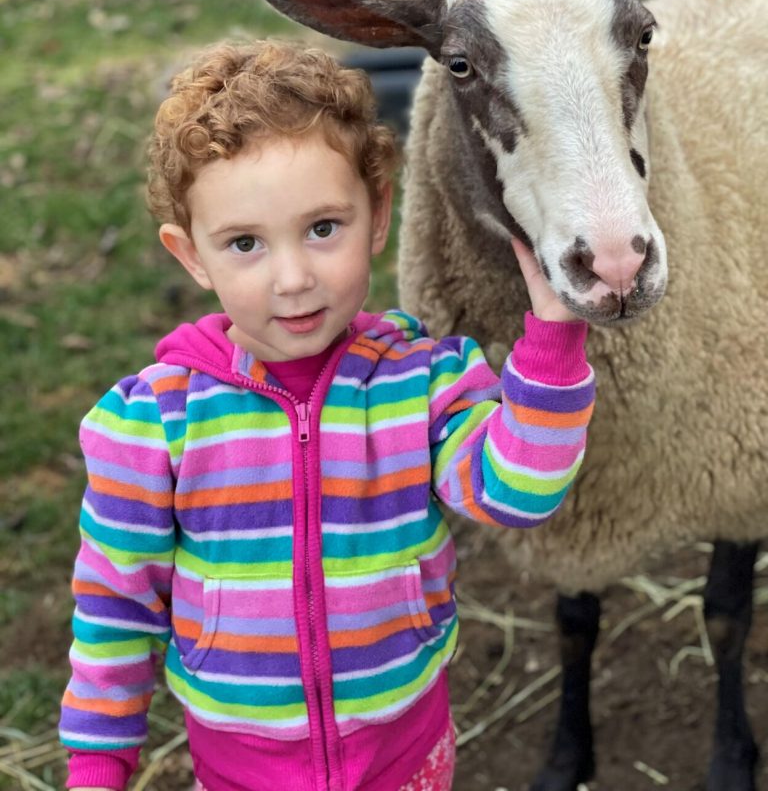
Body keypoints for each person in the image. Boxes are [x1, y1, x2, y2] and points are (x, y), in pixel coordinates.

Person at [60, 40, 595, 791]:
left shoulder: (424, 383)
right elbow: (115, 611)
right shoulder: (152, 425)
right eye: (244, 243)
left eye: (322, 229)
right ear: (191, 256)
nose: (293, 278)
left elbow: (518, 491)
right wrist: (97, 767)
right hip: (242, 769)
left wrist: (554, 336)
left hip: (405, 756)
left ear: (377, 216)